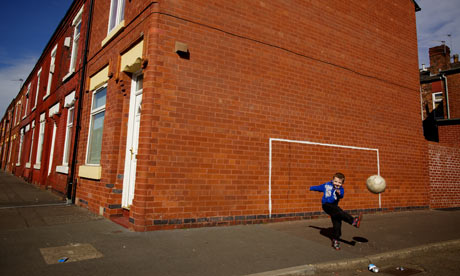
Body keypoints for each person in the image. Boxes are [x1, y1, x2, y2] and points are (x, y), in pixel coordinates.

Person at [309, 172, 362, 250]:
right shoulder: (327, 185)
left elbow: (341, 195)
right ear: (332, 180)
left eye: (339, 182)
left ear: (342, 183)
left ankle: (335, 240)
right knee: (340, 212)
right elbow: (319, 187)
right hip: (326, 205)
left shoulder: (341, 189)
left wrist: (339, 193)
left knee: (337, 223)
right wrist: (310, 188)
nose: (337, 184)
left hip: (334, 207)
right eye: (336, 181)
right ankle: (353, 221)